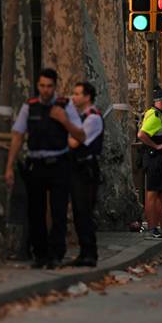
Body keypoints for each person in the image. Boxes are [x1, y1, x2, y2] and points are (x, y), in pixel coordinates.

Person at [5, 68, 86, 269]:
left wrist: (64, 120)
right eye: (42, 86)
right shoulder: (29, 107)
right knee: (36, 211)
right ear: (37, 86)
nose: (45, 90)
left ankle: (56, 254)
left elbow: (81, 136)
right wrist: (9, 167)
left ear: (55, 87)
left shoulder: (65, 106)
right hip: (36, 164)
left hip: (59, 163)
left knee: (59, 211)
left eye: (49, 86)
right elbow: (17, 135)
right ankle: (40, 254)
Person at [68, 81, 103, 267]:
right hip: (76, 169)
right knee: (78, 212)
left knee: (85, 211)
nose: (74, 97)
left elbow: (74, 143)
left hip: (86, 170)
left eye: (78, 94)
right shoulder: (80, 117)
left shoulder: (93, 118)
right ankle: (84, 252)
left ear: (87, 97)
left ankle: (90, 253)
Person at [137, 88, 162, 240]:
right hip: (154, 160)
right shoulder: (153, 115)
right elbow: (141, 134)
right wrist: (156, 146)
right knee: (152, 194)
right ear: (161, 101)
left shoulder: (161, 115)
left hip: (161, 160)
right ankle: (152, 227)